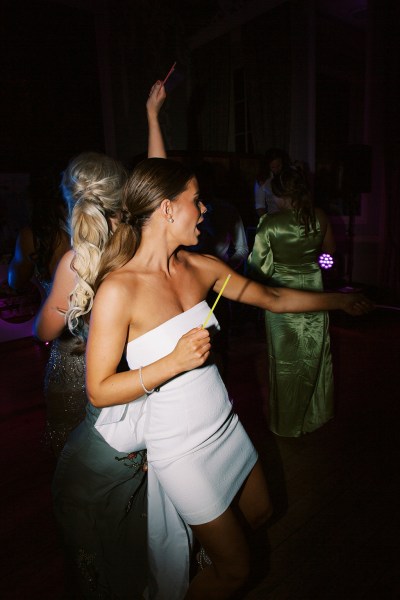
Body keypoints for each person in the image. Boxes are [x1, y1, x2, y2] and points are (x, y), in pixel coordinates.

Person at [85, 157, 372, 599]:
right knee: (237, 570)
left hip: (224, 426)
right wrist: (172, 363)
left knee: (260, 512)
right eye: (195, 201)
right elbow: (100, 390)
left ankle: (208, 563)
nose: (204, 211)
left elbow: (272, 297)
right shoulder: (119, 290)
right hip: (179, 447)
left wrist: (338, 300)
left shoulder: (201, 268)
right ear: (166, 209)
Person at [34, 80, 167, 598]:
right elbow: (160, 186)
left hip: (74, 382)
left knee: (77, 489)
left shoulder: (75, 261)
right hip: (126, 377)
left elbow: (46, 330)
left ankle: (97, 576)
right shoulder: (134, 241)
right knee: (125, 473)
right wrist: (154, 114)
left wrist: (49, 303)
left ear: (70, 197)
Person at [248, 165, 337, 437]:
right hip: (315, 295)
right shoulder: (319, 217)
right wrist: (314, 267)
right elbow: (330, 257)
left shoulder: (270, 225)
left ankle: (287, 424)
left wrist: (278, 270)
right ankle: (314, 416)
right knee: (314, 357)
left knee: (284, 363)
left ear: (279, 195)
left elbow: (258, 268)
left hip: (281, 298)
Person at [7, 176, 76, 455]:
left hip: (64, 340)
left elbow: (15, 279)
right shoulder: (84, 232)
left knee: (69, 427)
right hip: (101, 332)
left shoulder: (32, 236)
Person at [254, 147, 292, 218]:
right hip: (274, 220)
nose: (276, 170)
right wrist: (268, 221)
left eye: (278, 166)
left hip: (292, 218)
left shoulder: (290, 176)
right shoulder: (263, 180)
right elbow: (260, 207)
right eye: (273, 167)